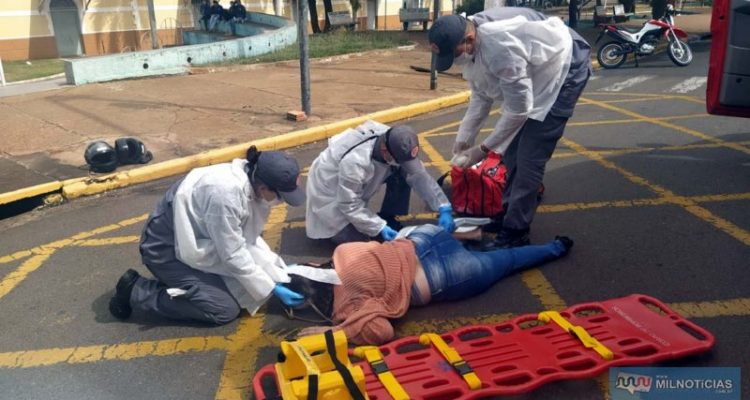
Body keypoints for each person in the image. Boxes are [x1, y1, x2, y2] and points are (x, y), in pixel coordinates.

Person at [428, 9, 592, 248]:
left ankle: (517, 231)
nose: (454, 61)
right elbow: (481, 97)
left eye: (454, 54)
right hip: (535, 72)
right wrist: (463, 140)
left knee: (529, 157)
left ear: (469, 40)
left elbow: (518, 111)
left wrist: (481, 150)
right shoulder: (471, 39)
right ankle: (505, 214)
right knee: (512, 154)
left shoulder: (499, 47)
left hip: (565, 69)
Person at [108, 146, 308, 325]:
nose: (281, 202)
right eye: (281, 196)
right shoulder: (225, 195)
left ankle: (187, 284)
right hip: (166, 249)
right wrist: (270, 287)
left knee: (245, 285)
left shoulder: (251, 182)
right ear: (264, 187)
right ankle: (136, 291)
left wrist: (274, 268)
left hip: (201, 239)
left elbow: (244, 239)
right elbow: (233, 254)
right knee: (223, 309)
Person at [284, 224, 573, 345]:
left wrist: (335, 332)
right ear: (312, 268)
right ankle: (473, 234)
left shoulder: (346, 304)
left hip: (445, 274)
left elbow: (381, 331)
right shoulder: (343, 253)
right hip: (425, 237)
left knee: (507, 261)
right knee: (484, 253)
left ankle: (556, 248)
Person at [305, 120, 456, 244]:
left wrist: (443, 207)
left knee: (402, 171)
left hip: (356, 175)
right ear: (385, 151)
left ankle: (389, 215)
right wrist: (379, 227)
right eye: (398, 160)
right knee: (359, 242)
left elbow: (418, 175)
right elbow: (349, 204)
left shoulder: (394, 139)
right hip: (329, 187)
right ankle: (372, 226)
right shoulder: (355, 163)